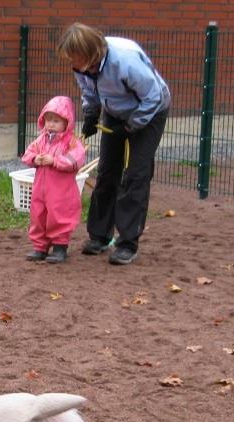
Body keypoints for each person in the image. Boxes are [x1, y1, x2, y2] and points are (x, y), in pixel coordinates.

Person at [57, 22, 171, 265]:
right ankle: (99, 236)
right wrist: (91, 114)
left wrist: (132, 125)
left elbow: (153, 96)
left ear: (89, 53)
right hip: (115, 112)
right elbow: (89, 92)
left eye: (74, 57)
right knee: (107, 171)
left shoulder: (125, 61)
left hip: (149, 112)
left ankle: (128, 243)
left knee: (136, 174)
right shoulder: (82, 67)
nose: (71, 64)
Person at [21, 95, 87, 264]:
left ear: (67, 122)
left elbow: (76, 159)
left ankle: (59, 246)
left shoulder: (71, 142)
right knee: (38, 216)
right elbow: (28, 153)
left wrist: (55, 161)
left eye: (56, 121)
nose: (51, 124)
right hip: (40, 191)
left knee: (60, 215)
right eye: (49, 120)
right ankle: (40, 246)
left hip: (61, 192)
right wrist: (35, 159)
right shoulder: (40, 140)